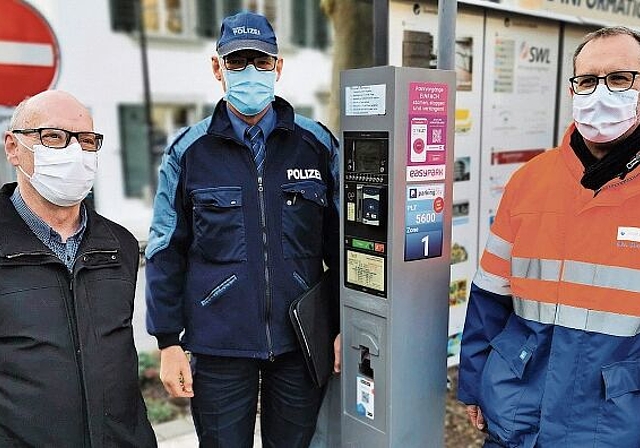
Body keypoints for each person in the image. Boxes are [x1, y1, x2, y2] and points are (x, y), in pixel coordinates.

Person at [145, 11, 340, 448]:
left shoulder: (317, 145)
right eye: (237, 61)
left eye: (261, 60)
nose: (250, 72)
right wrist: (167, 341)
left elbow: (343, 245)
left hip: (300, 341)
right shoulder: (187, 152)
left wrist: (342, 323)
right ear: (218, 68)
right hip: (219, 345)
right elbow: (164, 250)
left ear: (278, 66)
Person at [458, 25, 640, 447]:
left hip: (611, 426)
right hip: (517, 412)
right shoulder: (529, 181)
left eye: (619, 79)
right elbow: (489, 296)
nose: (600, 93)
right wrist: (474, 384)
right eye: (588, 81)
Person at [1, 90, 156, 447]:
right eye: (53, 137)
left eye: (86, 141)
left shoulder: (121, 246)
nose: (74, 153)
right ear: (13, 147)